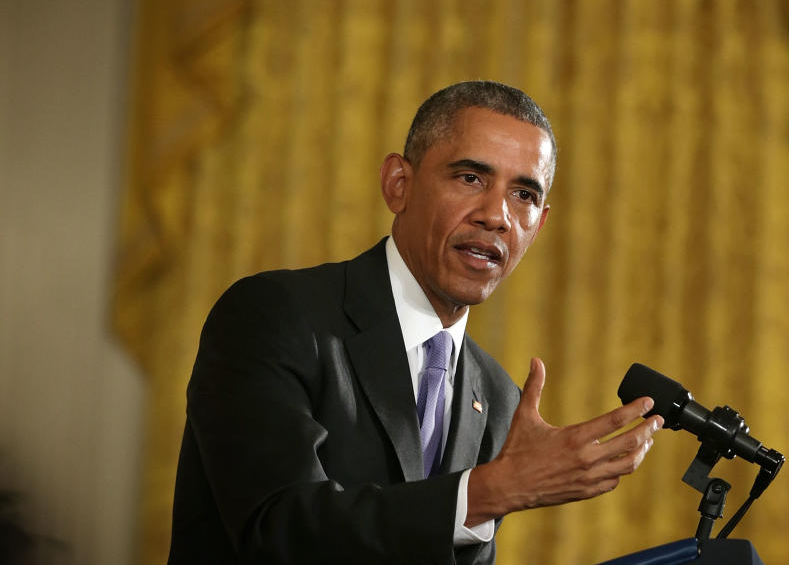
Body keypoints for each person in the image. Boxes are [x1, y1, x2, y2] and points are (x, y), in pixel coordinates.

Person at [168, 81, 663, 564]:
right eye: (471, 178)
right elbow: (276, 529)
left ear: (540, 224)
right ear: (398, 185)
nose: (497, 217)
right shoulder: (274, 313)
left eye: (524, 195)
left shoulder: (496, 397)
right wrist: (491, 491)